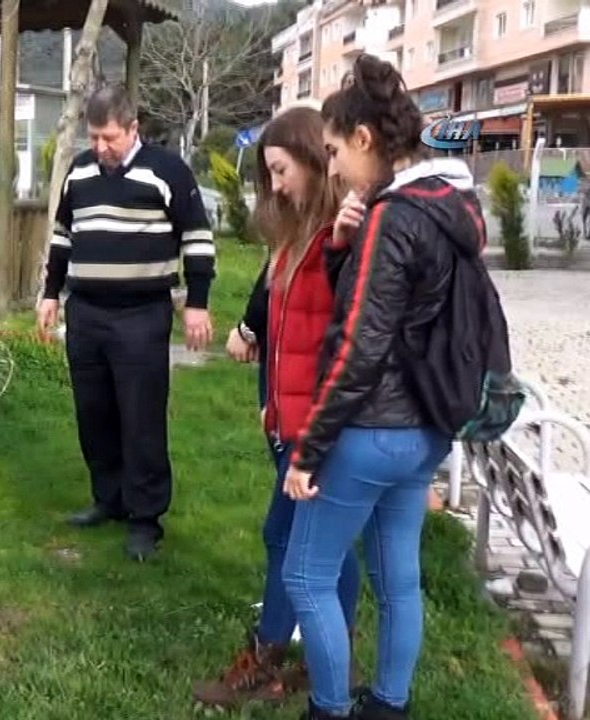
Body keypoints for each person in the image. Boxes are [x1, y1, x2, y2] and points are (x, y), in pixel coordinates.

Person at [281, 53, 474, 720]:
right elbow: (402, 316)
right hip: (426, 429)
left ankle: (329, 709)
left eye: (334, 150)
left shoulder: (393, 219)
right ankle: (388, 705)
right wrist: (342, 246)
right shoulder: (450, 205)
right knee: (398, 579)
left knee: (305, 575)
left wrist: (308, 451)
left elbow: (358, 347)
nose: (331, 167)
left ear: (365, 138)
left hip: (368, 434)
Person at [193, 105, 363, 708]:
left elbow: (347, 342)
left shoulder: (341, 237)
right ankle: (326, 656)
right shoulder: (296, 234)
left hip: (317, 427)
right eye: (268, 175)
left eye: (282, 170)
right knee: (319, 547)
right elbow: (276, 309)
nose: (276, 185)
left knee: (290, 542)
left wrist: (311, 434)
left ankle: (273, 657)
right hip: (291, 416)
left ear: (317, 162)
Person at [37, 83, 216, 561]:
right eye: (94, 138)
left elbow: (197, 238)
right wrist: (50, 294)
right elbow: (61, 237)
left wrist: (197, 302)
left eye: (110, 138)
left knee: (140, 417)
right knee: (94, 413)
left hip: (142, 313)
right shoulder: (78, 173)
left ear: (133, 128)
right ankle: (108, 498)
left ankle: (145, 518)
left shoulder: (167, 172)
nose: (101, 148)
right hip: (87, 312)